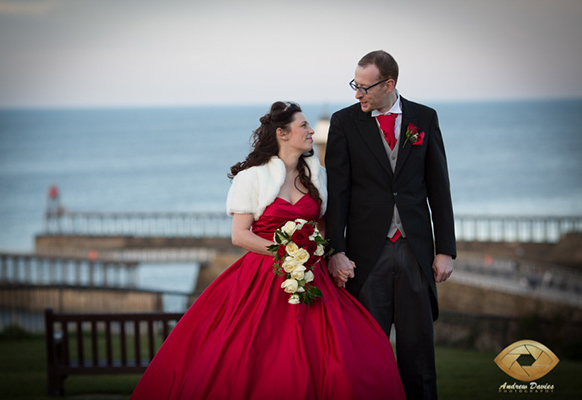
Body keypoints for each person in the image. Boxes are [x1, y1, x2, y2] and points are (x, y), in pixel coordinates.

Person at [131, 101, 405, 399]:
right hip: (263, 275)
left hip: (312, 275)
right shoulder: (252, 177)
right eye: (303, 126)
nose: (311, 130)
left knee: (344, 353)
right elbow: (240, 235)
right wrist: (286, 252)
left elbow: (324, 225)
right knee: (256, 357)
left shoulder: (319, 175)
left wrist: (315, 251)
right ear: (282, 134)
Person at [325, 50, 456, 400]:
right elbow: (337, 194)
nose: (357, 94)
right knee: (368, 355)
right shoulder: (343, 122)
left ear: (389, 84)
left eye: (364, 87)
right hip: (367, 255)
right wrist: (336, 251)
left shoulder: (424, 118)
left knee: (419, 357)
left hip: (416, 253)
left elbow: (439, 188)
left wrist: (445, 249)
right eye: (355, 85)